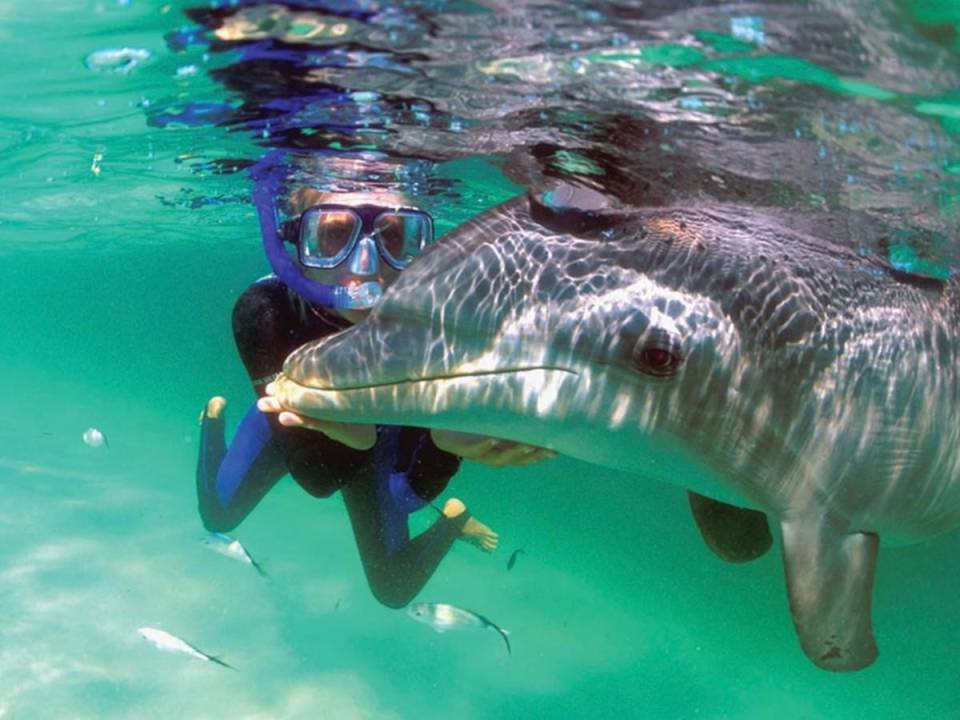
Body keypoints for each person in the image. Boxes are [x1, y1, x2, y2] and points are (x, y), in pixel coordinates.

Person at [197, 171, 553, 608]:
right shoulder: (265, 311)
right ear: (294, 239)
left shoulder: (441, 322)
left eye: (395, 238)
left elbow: (409, 491)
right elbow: (317, 480)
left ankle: (451, 524)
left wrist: (447, 442)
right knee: (218, 513)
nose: (364, 268)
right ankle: (212, 421)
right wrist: (362, 433)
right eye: (333, 237)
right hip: (295, 431)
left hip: (380, 438)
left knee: (394, 589)